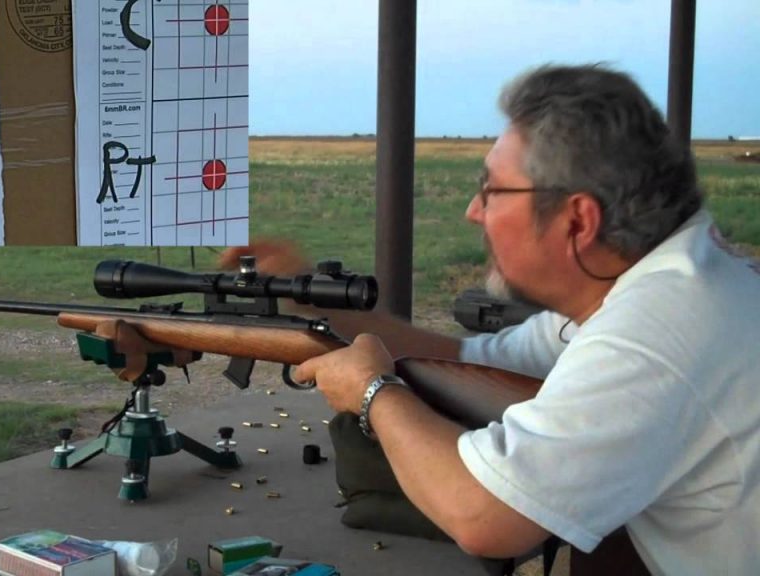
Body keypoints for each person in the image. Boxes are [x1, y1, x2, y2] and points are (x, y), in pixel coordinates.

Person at [218, 64, 760, 575]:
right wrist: (315, 300)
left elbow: (484, 517)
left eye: (493, 190)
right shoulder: (662, 284)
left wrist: (370, 392)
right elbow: (464, 361)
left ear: (578, 219)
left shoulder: (655, 332)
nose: (473, 211)